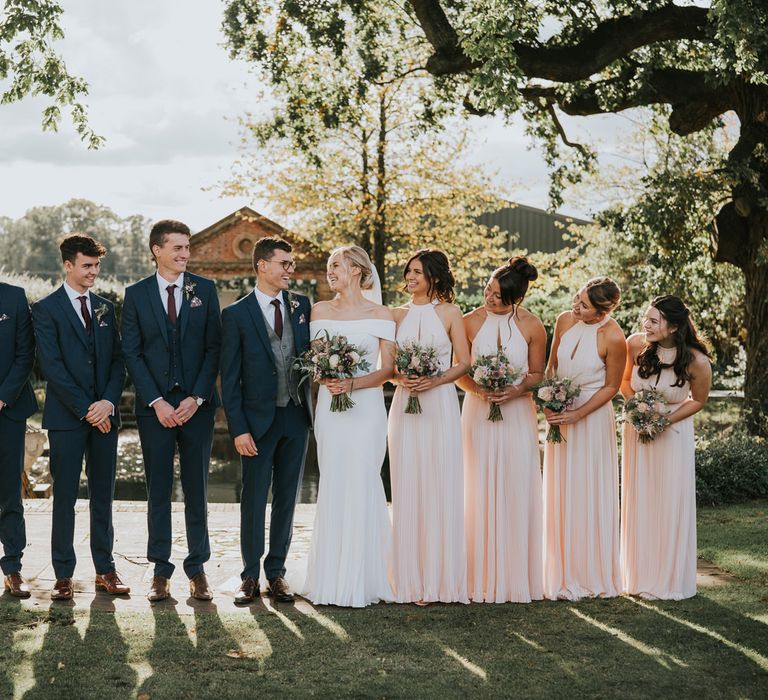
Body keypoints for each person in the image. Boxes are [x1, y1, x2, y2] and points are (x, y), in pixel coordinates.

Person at [122, 220, 221, 602]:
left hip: (197, 407)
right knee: (158, 491)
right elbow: (131, 351)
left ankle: (197, 570)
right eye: (177, 247)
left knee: (197, 489)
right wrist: (157, 401)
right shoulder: (137, 294)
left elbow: (214, 348)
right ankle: (160, 571)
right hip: (155, 410)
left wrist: (196, 397)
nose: (184, 254)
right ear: (156, 250)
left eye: (187, 247)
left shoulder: (205, 290)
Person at [32, 234, 127, 601]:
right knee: (65, 498)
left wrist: (107, 402)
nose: (93, 272)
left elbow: (119, 361)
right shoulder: (45, 309)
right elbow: (51, 367)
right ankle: (63, 575)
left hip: (105, 416)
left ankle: (106, 570)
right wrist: (89, 410)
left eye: (97, 265)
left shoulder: (105, 307)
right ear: (68, 265)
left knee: (104, 496)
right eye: (86, 265)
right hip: (68, 419)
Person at [220, 236, 312, 605]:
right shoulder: (236, 315)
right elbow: (229, 378)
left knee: (288, 499)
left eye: (291, 264)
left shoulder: (302, 306)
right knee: (253, 500)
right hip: (256, 423)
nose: (290, 269)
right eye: (284, 263)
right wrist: (238, 428)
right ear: (262, 265)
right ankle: (248, 575)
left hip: (296, 417)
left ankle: (277, 574)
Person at [302, 245, 395, 607]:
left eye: (337, 265)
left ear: (357, 270)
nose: (331, 271)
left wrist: (353, 383)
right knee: (335, 479)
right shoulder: (319, 310)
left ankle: (366, 575)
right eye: (329, 266)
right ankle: (330, 574)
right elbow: (313, 360)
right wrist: (326, 374)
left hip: (367, 407)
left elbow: (387, 370)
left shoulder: (381, 313)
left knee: (364, 478)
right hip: (330, 407)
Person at [458, 257, 545, 603]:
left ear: (516, 299)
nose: (489, 299)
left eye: (498, 296)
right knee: (476, 485)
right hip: (477, 412)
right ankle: (475, 572)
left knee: (514, 485)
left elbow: (538, 374)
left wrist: (517, 388)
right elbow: (459, 369)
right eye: (488, 291)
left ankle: (514, 573)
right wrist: (479, 389)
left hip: (517, 413)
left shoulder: (532, 325)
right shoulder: (467, 322)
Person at [387, 249, 470, 604]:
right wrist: (401, 378)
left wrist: (434, 381)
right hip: (404, 405)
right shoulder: (395, 314)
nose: (410, 277)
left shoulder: (451, 313)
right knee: (407, 484)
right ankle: (406, 578)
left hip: (439, 405)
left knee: (439, 481)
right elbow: (388, 368)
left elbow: (465, 362)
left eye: (417, 272)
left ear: (434, 276)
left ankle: (440, 578)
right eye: (408, 271)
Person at [620, 295, 711, 599]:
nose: (645, 325)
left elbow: (698, 400)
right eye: (645, 318)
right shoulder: (635, 345)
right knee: (641, 498)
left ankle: (669, 577)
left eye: (653, 321)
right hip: (638, 432)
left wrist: (664, 420)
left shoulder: (696, 360)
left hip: (673, 435)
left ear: (673, 326)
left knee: (668, 500)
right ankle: (639, 574)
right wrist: (639, 410)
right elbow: (623, 384)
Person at [542, 277, 626, 600]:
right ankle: (559, 571)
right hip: (560, 413)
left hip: (590, 419)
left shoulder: (613, 336)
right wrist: (550, 401)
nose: (575, 307)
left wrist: (578, 413)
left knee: (586, 488)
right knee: (562, 489)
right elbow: (552, 367)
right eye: (576, 299)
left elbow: (612, 386)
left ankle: (589, 573)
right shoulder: (564, 320)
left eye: (584, 306)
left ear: (604, 310)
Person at [0, 282, 38, 598]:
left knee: (9, 491)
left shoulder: (14, 297)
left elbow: (26, 353)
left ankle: (12, 567)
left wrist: (2, 397)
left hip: (9, 409)